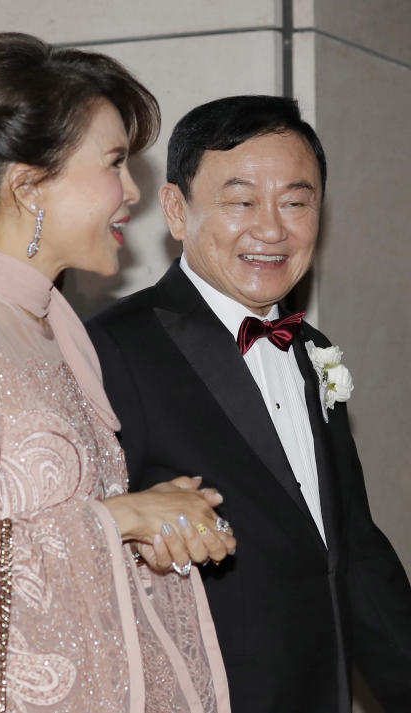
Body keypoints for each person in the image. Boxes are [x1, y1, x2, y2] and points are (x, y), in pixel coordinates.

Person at [0, 33, 236, 713]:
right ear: (27, 185)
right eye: (114, 162)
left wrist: (148, 525)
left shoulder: (50, 325)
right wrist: (117, 517)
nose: (131, 191)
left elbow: (45, 524)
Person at [86, 95, 411, 713]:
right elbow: (86, 548)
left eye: (296, 201)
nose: (272, 228)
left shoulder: (314, 350)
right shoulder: (115, 348)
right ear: (177, 211)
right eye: (240, 201)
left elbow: (351, 551)